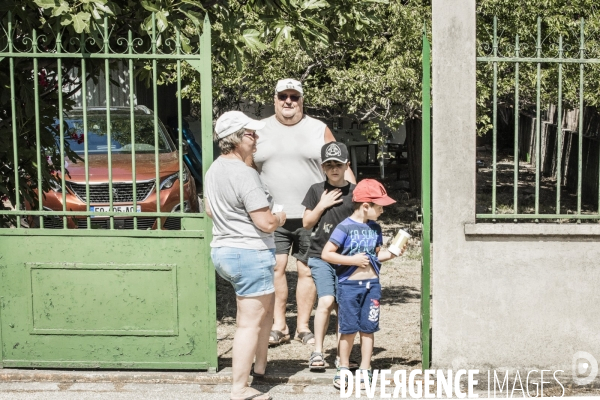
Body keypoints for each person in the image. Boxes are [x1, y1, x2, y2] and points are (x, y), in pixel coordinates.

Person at [253, 78, 356, 346]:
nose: (289, 101)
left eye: (294, 97)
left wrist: (360, 200)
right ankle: (279, 326)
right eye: (283, 96)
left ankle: (302, 327)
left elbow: (342, 165)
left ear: (301, 100)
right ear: (274, 99)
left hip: (313, 214)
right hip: (273, 215)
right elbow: (246, 168)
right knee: (276, 268)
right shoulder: (259, 129)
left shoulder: (319, 128)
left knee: (306, 270)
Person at [204, 111, 286, 400]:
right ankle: (239, 387)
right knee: (249, 323)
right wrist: (280, 218)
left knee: (260, 315)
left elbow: (210, 210)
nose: (256, 138)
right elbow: (264, 223)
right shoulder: (245, 173)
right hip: (250, 252)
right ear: (236, 139)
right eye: (251, 134)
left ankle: (260, 368)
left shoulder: (213, 169)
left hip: (223, 250)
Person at [321, 179, 406, 389]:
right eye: (380, 207)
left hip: (372, 287)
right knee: (348, 329)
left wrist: (393, 253)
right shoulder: (344, 227)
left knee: (368, 328)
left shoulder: (375, 228)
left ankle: (365, 368)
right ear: (366, 206)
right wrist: (352, 261)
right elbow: (327, 254)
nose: (382, 211)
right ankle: (343, 368)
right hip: (349, 287)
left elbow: (376, 256)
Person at [301, 142, 357, 370]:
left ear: (347, 166)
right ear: (322, 167)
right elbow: (306, 223)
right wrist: (322, 205)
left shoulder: (356, 192)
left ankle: (342, 356)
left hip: (347, 258)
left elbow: (365, 221)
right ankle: (317, 352)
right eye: (329, 165)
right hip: (320, 256)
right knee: (326, 300)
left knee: (343, 306)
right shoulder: (316, 190)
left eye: (338, 164)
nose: (334, 169)